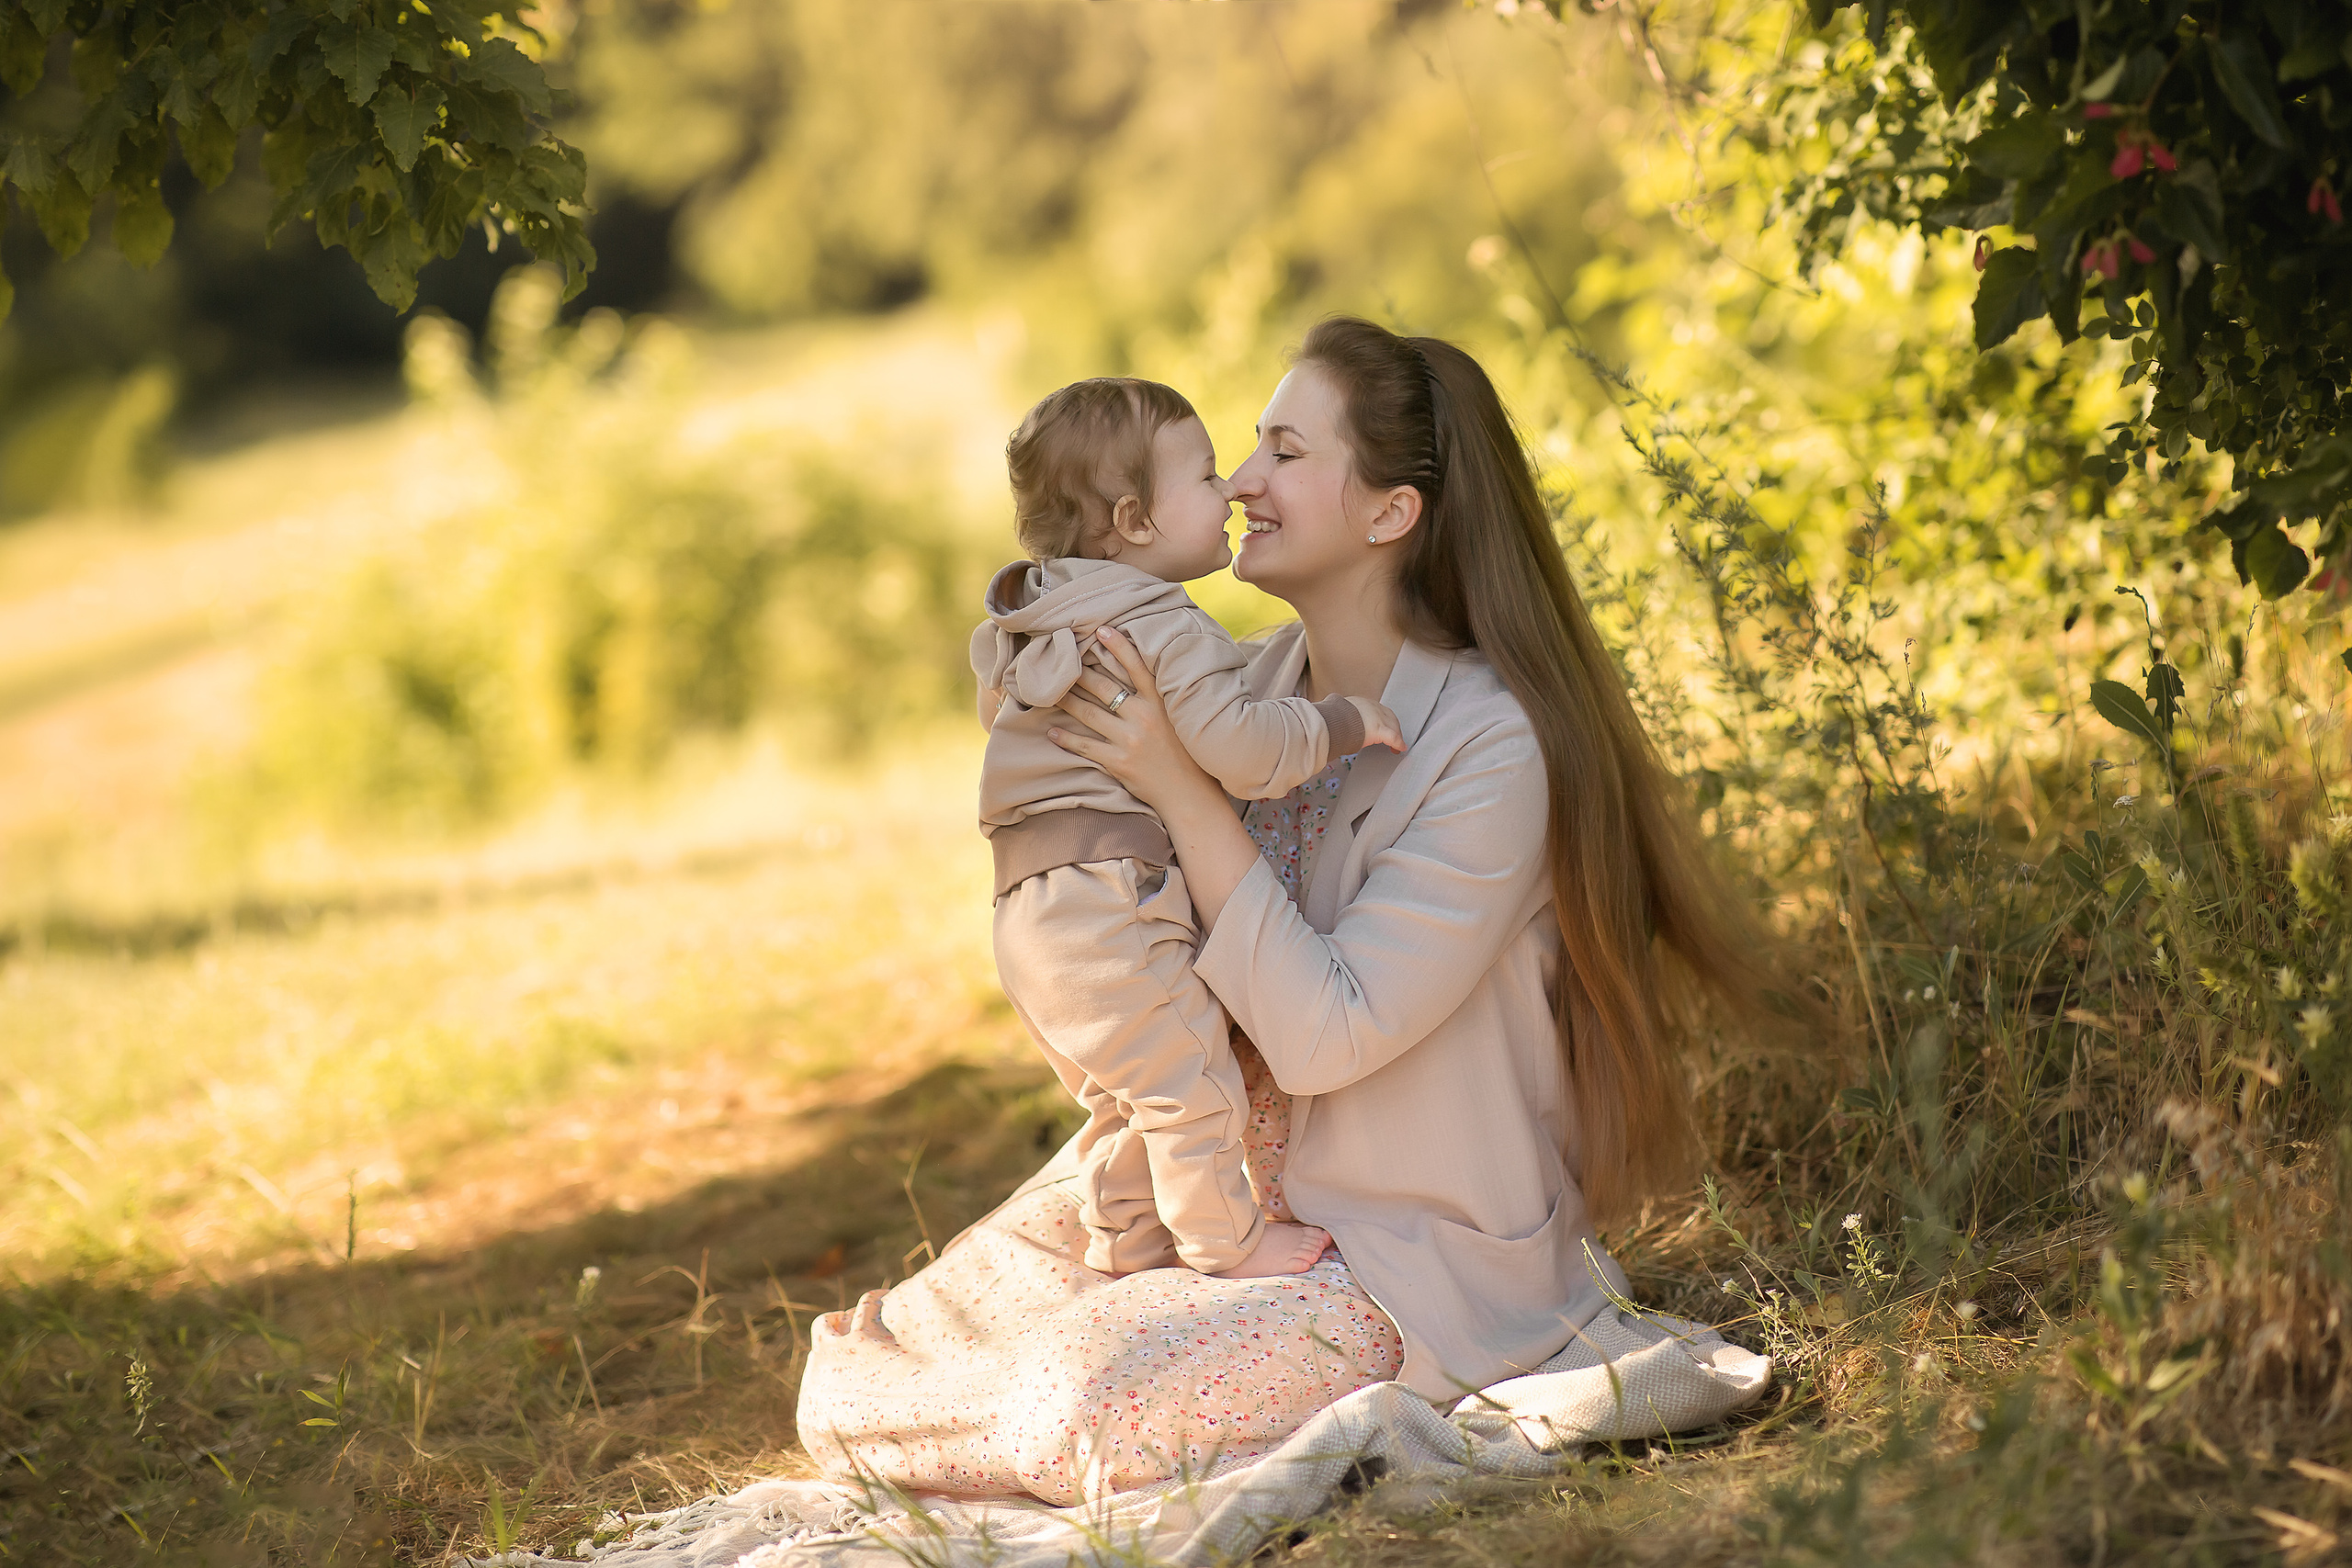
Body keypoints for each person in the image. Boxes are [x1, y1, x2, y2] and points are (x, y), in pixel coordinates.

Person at [795, 317, 1770, 1505]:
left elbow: (1323, 1034)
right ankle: (1027, 1356)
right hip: (1204, 1179)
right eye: (1242, 450)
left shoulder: (1489, 745)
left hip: (1386, 1254)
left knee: (1081, 1405)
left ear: (1388, 513)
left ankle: (1040, 1379)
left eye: (1285, 451)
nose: (1244, 480)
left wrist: (1169, 782)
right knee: (851, 1365)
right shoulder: (1237, 684)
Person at [975, 377, 1400, 1280]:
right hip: (1111, 902)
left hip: (1026, 912)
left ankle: (1129, 1248)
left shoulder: (1039, 611)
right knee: (1193, 1092)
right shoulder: (1164, 624)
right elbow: (1245, 754)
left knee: (1125, 1098)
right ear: (1133, 521)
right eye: (1206, 476)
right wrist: (1343, 721)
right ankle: (1226, 1244)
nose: (1230, 491)